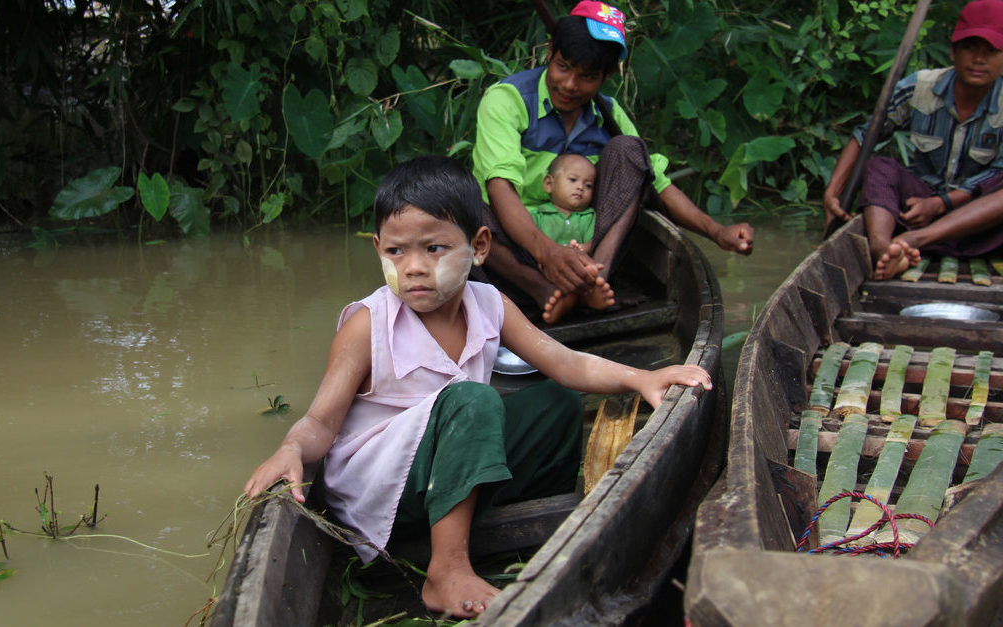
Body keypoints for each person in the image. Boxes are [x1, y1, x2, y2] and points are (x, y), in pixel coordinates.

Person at [242, 155, 712, 619]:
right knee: (474, 399)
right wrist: (291, 448)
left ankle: (511, 524)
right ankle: (447, 571)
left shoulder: (489, 303)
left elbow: (564, 363)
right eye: (396, 251)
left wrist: (643, 377)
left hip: (449, 464)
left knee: (556, 402)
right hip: (383, 489)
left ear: (479, 247)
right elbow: (322, 420)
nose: (414, 268)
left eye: (435, 249)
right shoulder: (369, 323)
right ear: (379, 250)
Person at [472, 0, 753, 324]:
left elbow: (658, 185)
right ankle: (544, 291)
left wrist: (718, 232)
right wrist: (547, 253)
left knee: (629, 150)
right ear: (551, 51)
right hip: (519, 252)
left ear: (606, 75)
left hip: (586, 246)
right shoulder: (509, 99)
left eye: (587, 76)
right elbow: (499, 186)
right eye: (563, 66)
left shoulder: (608, 114)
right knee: (456, 198)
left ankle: (595, 279)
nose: (569, 85)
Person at [823, 0, 1003, 280]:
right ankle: (882, 248)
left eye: (992, 51)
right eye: (970, 48)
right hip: (916, 208)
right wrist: (832, 192)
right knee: (880, 166)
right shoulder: (920, 87)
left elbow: (999, 175)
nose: (978, 59)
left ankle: (914, 242)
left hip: (980, 224)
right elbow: (866, 136)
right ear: (953, 52)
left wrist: (941, 205)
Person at [531, 153, 617, 321]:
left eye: (588, 185)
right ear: (549, 184)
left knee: (587, 268)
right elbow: (534, 242)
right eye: (573, 180)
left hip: (581, 263)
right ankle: (564, 300)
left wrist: (582, 249)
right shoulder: (538, 215)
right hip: (550, 268)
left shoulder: (589, 216)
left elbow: (593, 242)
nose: (580, 188)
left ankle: (591, 294)